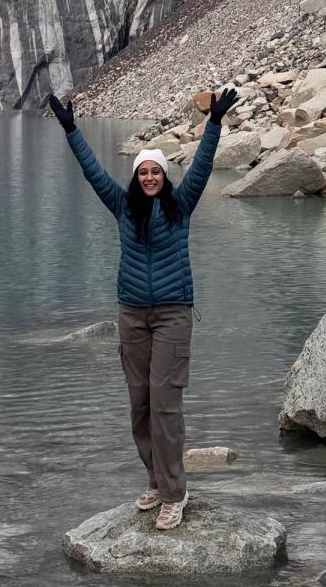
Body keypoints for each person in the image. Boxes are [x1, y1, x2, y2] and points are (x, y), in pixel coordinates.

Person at [47, 87, 238, 531]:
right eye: (143, 172)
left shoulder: (181, 205)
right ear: (135, 178)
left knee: (165, 403)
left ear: (164, 176)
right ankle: (156, 478)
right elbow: (93, 172)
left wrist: (214, 123)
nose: (150, 177)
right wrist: (72, 129)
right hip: (132, 315)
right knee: (140, 405)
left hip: (173, 313)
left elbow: (204, 165)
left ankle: (175, 493)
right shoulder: (122, 207)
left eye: (156, 171)